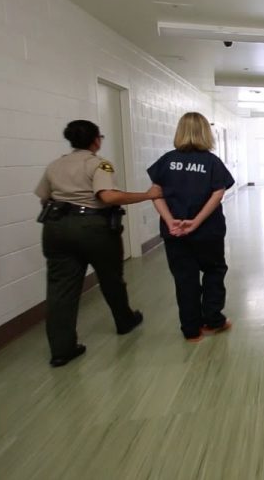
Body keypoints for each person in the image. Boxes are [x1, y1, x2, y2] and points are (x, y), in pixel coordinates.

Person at [35, 120, 162, 367]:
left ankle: (62, 349)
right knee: (110, 277)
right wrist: (148, 195)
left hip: (56, 229)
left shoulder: (55, 165)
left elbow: (44, 198)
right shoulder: (98, 164)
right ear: (96, 140)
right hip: (93, 228)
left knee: (60, 288)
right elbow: (108, 196)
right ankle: (124, 321)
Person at [147, 112, 235, 342]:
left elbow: (155, 194)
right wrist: (196, 221)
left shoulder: (166, 161)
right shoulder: (211, 162)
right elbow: (218, 193)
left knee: (184, 279)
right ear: (206, 132)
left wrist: (169, 219)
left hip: (175, 232)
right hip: (208, 231)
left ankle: (191, 330)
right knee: (214, 271)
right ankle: (213, 321)